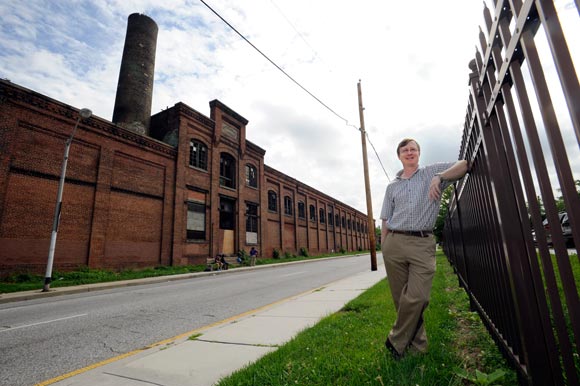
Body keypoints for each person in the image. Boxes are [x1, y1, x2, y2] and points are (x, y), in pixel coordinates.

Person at [380, 138, 468, 359]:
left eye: (413, 149)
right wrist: (384, 247)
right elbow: (385, 219)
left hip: (422, 242)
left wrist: (440, 178)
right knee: (401, 300)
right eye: (404, 150)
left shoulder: (432, 173)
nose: (409, 153)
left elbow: (465, 164)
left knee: (418, 297)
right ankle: (417, 347)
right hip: (394, 242)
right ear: (399, 155)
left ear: (419, 153)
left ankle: (395, 340)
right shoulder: (392, 186)